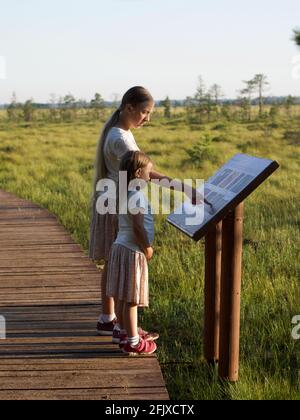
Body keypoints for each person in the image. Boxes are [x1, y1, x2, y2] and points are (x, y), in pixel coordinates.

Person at [89, 86, 207, 336]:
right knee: (118, 264)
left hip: (112, 199)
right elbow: (143, 172)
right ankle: (120, 326)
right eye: (144, 112)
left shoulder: (120, 132)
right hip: (116, 203)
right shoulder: (121, 138)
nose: (147, 118)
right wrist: (182, 187)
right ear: (129, 107)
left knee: (112, 263)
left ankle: (109, 318)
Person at [106, 150, 158, 355]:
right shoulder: (137, 196)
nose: (150, 176)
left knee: (120, 295)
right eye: (149, 172)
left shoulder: (124, 193)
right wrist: (147, 247)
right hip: (132, 249)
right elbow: (138, 227)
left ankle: (120, 331)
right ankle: (133, 342)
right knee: (131, 298)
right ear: (138, 173)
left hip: (120, 246)